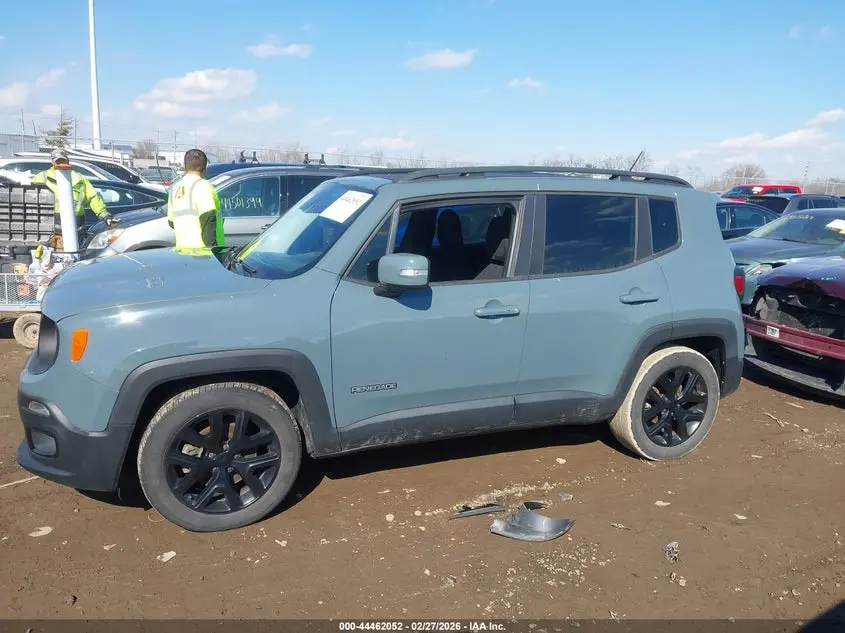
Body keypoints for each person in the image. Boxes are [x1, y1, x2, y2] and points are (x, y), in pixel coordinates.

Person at [31, 148, 115, 246]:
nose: (61, 163)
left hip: (76, 225)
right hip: (50, 225)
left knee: (71, 254)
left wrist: (104, 215)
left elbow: (93, 197)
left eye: (62, 160)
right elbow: (32, 200)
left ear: (68, 161)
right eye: (58, 161)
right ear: (52, 162)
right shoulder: (42, 177)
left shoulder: (79, 178)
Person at [166, 148, 224, 250]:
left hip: (182, 250)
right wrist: (214, 252)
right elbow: (208, 221)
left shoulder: (175, 188)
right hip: (202, 253)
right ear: (206, 167)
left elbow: (171, 222)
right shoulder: (204, 186)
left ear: (184, 166)